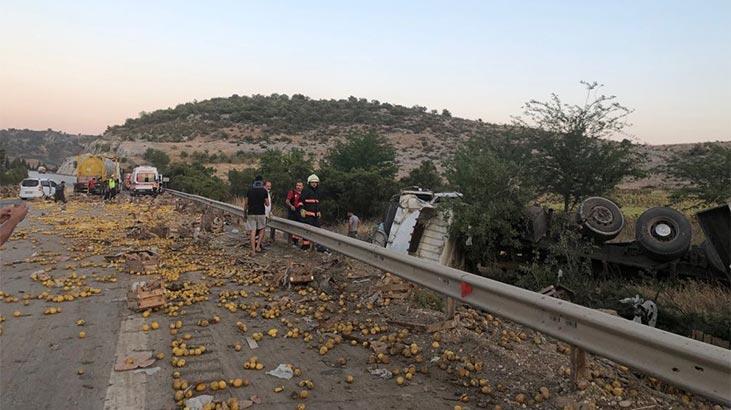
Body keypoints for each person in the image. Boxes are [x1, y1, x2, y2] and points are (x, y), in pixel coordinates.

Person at [245, 176, 269, 257]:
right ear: (261, 182)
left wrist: (245, 212)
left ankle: (253, 250)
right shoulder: (264, 190)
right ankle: (258, 246)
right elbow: (267, 203)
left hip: (251, 213)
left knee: (253, 231)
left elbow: (246, 204)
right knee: (262, 229)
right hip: (261, 213)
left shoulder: (250, 190)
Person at [299, 174, 321, 250]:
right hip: (308, 215)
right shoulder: (306, 191)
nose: (314, 184)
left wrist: (319, 211)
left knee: (317, 231)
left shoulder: (317, 192)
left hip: (316, 216)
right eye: (312, 182)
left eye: (316, 182)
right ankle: (305, 246)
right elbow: (300, 201)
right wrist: (302, 209)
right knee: (307, 231)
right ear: (309, 183)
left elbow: (317, 203)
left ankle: (316, 246)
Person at [285, 181, 304, 246]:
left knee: (298, 228)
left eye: (300, 186)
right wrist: (291, 206)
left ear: (302, 187)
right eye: (297, 185)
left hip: (299, 213)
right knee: (292, 228)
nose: (298, 187)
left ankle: (296, 242)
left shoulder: (303, 194)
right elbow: (287, 201)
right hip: (292, 213)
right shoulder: (292, 192)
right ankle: (291, 242)